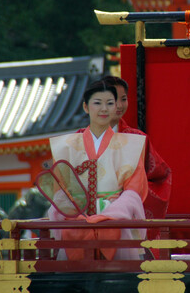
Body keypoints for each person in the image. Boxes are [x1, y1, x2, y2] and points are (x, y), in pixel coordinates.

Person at [47, 80, 149, 260]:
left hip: (116, 223)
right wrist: (78, 215)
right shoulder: (66, 147)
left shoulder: (130, 146)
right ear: (86, 107)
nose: (104, 109)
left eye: (110, 103)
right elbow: (61, 192)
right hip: (77, 222)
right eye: (97, 103)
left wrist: (110, 213)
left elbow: (133, 192)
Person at [100, 76, 172, 225]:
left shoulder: (138, 138)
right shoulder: (79, 138)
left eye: (123, 99)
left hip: (126, 215)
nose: (119, 105)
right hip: (90, 214)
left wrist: (128, 197)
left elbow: (160, 178)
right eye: (113, 99)